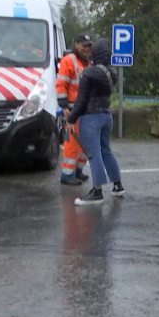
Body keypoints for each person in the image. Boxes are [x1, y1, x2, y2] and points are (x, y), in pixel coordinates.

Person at [68, 39, 125, 206]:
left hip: (90, 118)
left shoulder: (89, 72)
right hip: (107, 116)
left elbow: (82, 99)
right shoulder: (112, 72)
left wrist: (71, 119)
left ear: (95, 53)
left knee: (93, 154)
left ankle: (97, 191)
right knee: (106, 150)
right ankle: (118, 185)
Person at [57, 33, 93, 185]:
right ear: (77, 44)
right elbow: (61, 84)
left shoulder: (88, 63)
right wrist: (64, 106)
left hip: (84, 109)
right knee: (72, 142)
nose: (87, 48)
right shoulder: (69, 60)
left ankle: (77, 170)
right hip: (71, 109)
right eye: (84, 45)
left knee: (83, 141)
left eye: (89, 46)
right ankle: (67, 174)